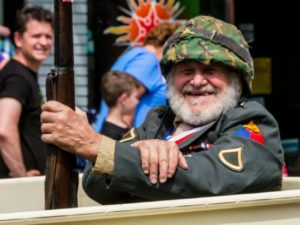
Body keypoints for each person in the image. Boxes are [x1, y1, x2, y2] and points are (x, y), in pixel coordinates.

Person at [41, 15, 284, 204]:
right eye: (186, 71)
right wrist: (138, 153)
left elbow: (211, 179)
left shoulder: (252, 122)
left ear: (237, 81)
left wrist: (95, 145)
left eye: (211, 71)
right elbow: (97, 185)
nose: (197, 81)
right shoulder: (158, 121)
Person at [93, 22, 181, 131]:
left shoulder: (137, 54)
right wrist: (126, 139)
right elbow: (127, 101)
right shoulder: (147, 60)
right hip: (129, 136)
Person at [0, 6, 53, 178]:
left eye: (48, 36)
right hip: (17, 190)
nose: (44, 42)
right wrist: (21, 177)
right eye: (36, 36)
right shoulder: (18, 77)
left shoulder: (22, 74)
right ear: (18, 39)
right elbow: (4, 130)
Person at [101, 70, 141, 140]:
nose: (137, 101)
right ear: (124, 99)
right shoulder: (109, 136)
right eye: (136, 97)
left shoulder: (123, 126)